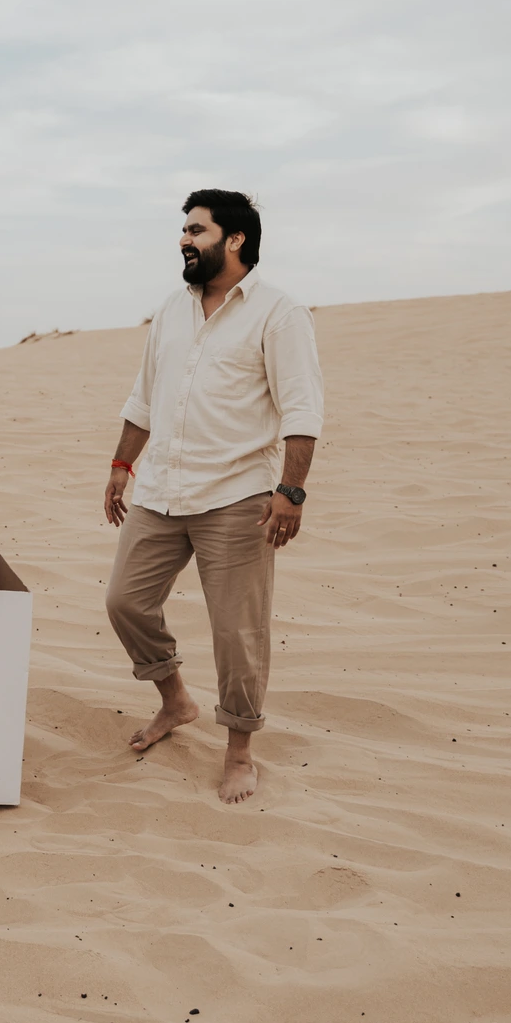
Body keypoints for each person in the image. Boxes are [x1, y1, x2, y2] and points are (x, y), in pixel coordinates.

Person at [103, 191, 323, 805]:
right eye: (183, 230)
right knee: (126, 602)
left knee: (238, 633)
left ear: (234, 240)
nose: (183, 239)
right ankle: (176, 701)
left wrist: (292, 490)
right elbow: (145, 397)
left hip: (237, 494)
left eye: (196, 230)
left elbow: (302, 409)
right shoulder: (173, 310)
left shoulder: (280, 313)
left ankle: (240, 751)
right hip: (161, 490)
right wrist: (123, 464)